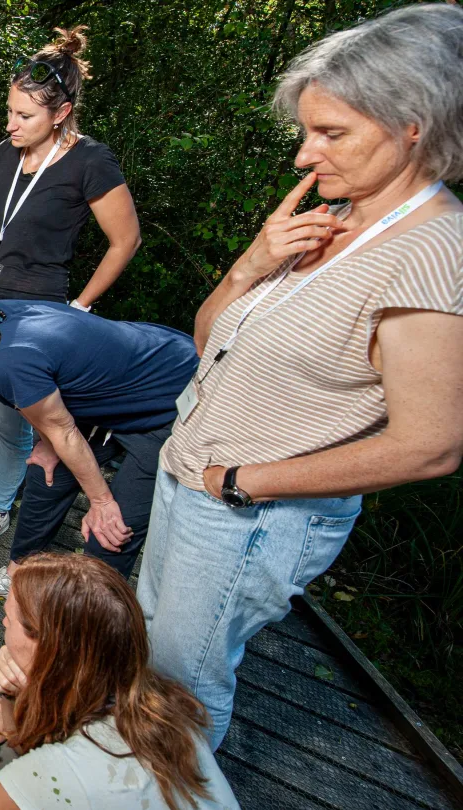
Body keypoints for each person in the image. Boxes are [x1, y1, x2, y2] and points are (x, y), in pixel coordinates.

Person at [138, 3, 463, 751]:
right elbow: (209, 339)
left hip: (247, 513)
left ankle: (172, 795)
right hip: (188, 478)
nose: (303, 157)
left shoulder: (432, 249)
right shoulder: (336, 216)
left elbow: (431, 446)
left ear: (413, 122)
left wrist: (242, 480)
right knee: (152, 656)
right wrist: (256, 261)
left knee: (182, 691)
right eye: (306, 131)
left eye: (331, 133)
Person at [0, 26, 140, 550]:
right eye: (10, 111)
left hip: (35, 310)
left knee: (12, 416)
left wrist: (82, 306)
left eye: (25, 116)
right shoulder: (6, 151)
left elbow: (126, 240)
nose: (11, 123)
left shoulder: (90, 161)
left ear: (61, 113)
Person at [0, 292, 196, 602]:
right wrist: (49, 442)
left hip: (167, 400)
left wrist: (101, 502)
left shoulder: (6, 363)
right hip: (103, 400)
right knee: (43, 476)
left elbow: (62, 427)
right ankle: (19, 574)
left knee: (111, 532)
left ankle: (93, 619)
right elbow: (50, 392)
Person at [0, 553, 238, 810]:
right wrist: (26, 691)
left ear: (47, 645)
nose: (2, 625)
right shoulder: (159, 702)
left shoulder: (65, 769)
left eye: (9, 618)